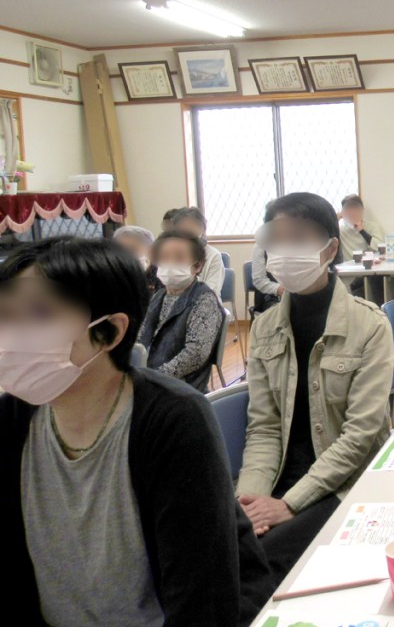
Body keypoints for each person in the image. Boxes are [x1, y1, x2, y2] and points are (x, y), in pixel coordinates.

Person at [0, 237, 272, 625]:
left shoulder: (172, 420)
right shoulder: (13, 418)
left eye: (40, 314)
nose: (13, 336)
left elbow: (201, 599)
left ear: (110, 331)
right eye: (6, 316)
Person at [237, 192, 394, 584]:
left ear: (330, 249)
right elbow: (264, 427)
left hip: (344, 483)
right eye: (277, 239)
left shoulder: (369, 325)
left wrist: (289, 504)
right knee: (231, 552)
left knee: (258, 567)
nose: (286, 249)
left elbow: (360, 436)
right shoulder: (265, 327)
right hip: (279, 481)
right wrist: (249, 502)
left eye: (300, 238)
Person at [139, 230, 223, 391]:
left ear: (198, 265)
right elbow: (141, 335)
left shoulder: (204, 299)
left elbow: (196, 353)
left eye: (179, 258)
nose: (170, 263)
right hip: (148, 377)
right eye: (164, 258)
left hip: (180, 388)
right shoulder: (159, 295)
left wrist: (154, 377)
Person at [172, 206, 225, 299]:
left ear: (202, 230)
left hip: (206, 303)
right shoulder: (170, 254)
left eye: (192, 226)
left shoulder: (213, 255)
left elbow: (212, 291)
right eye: (182, 227)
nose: (187, 231)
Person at [112, 224, 160, 292]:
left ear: (150, 251)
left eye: (132, 250)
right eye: (119, 250)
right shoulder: (110, 276)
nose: (125, 255)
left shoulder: (162, 278)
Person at [337, 193, 385, 259]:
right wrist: (336, 218)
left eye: (356, 208)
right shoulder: (341, 230)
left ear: (362, 210)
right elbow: (326, 240)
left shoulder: (372, 226)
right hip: (347, 265)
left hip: (368, 264)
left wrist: (362, 231)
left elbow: (379, 247)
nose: (353, 212)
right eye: (349, 209)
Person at [250, 239, 282, 314]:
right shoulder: (261, 246)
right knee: (279, 312)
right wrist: (278, 289)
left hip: (297, 295)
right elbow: (259, 280)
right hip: (271, 297)